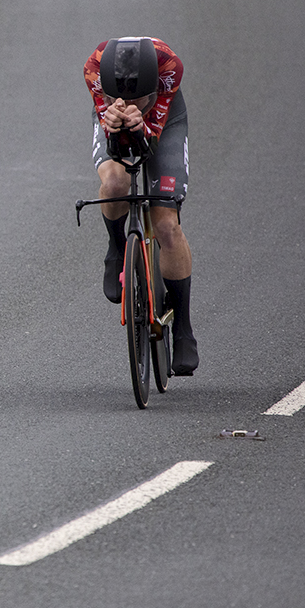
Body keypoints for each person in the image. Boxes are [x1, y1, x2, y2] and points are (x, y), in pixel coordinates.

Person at [83, 36, 198, 375]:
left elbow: (150, 138)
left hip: (166, 121)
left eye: (136, 98)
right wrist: (114, 120)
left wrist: (142, 123)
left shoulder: (169, 68)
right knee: (115, 182)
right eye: (117, 96)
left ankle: (184, 331)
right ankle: (117, 247)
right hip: (116, 124)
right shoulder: (93, 67)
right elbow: (115, 140)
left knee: (166, 224)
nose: (126, 102)